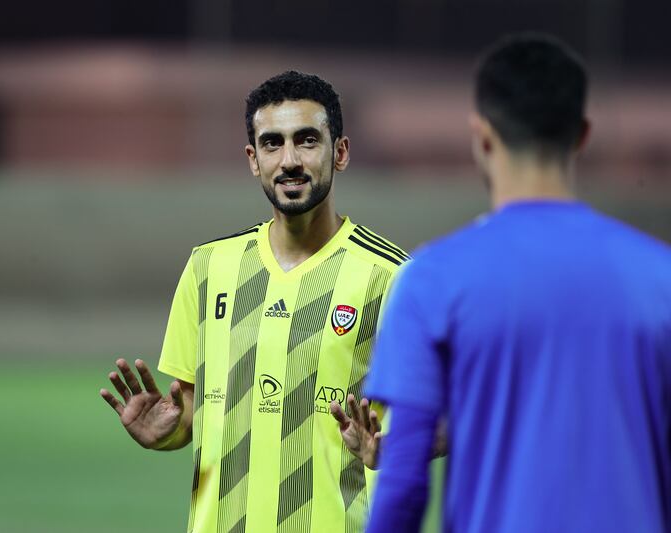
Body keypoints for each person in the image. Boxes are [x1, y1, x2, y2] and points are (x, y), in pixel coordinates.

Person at [365, 33, 671, 533]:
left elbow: (403, 483)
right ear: (582, 135)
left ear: (482, 136)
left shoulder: (432, 280)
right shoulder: (662, 278)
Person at [100, 71, 410, 533]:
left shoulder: (392, 278)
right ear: (253, 159)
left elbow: (432, 423)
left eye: (307, 141)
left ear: (339, 152)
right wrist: (165, 433)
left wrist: (393, 447)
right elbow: (189, 414)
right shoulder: (209, 268)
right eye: (272, 143)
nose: (289, 160)